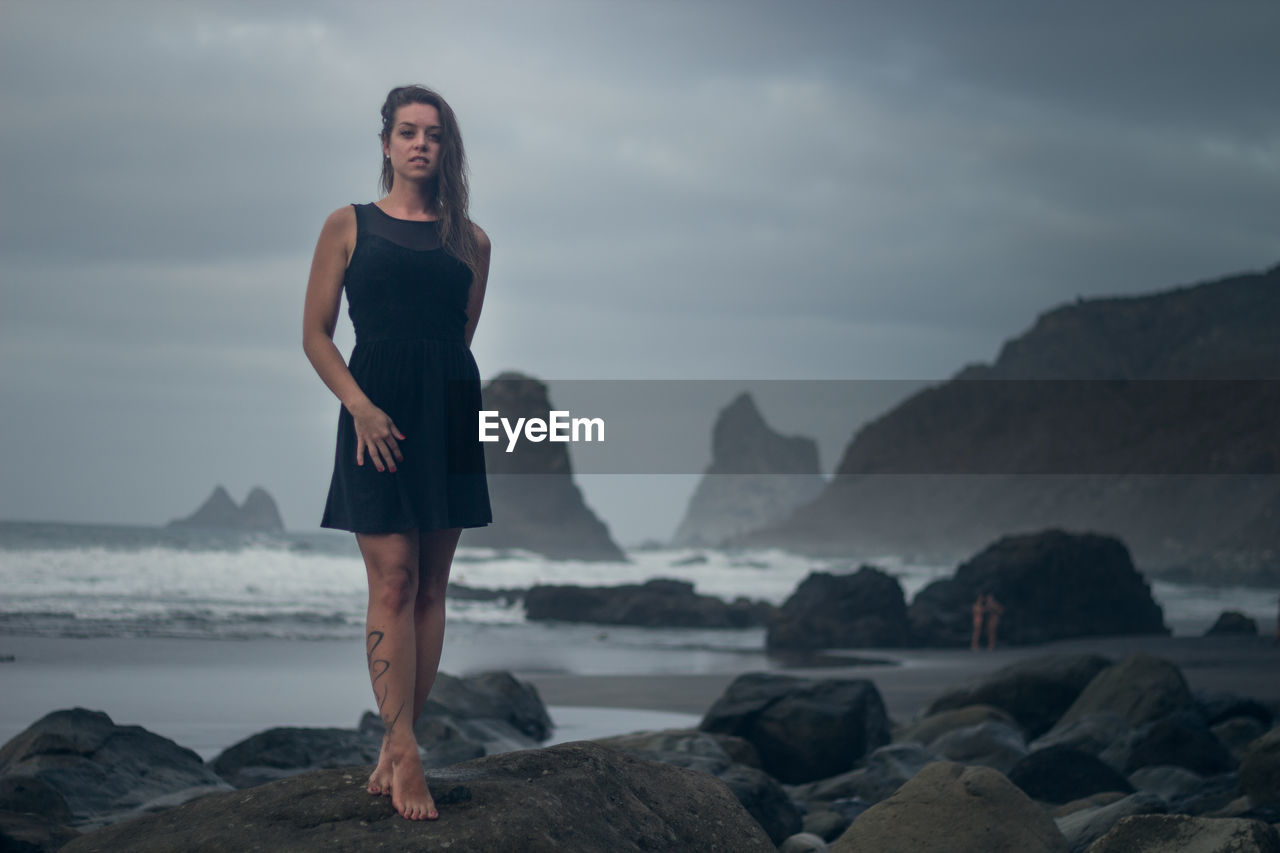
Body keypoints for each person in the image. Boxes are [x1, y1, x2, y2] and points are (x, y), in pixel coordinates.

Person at [302, 84, 493, 822]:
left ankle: (394, 741)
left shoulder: (470, 241)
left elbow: (458, 337)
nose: (421, 144)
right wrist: (360, 405)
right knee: (394, 578)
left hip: (446, 415)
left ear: (447, 148)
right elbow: (317, 333)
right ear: (386, 142)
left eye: (434, 134)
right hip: (372, 416)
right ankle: (406, 747)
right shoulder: (348, 225)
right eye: (408, 132)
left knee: (432, 588)